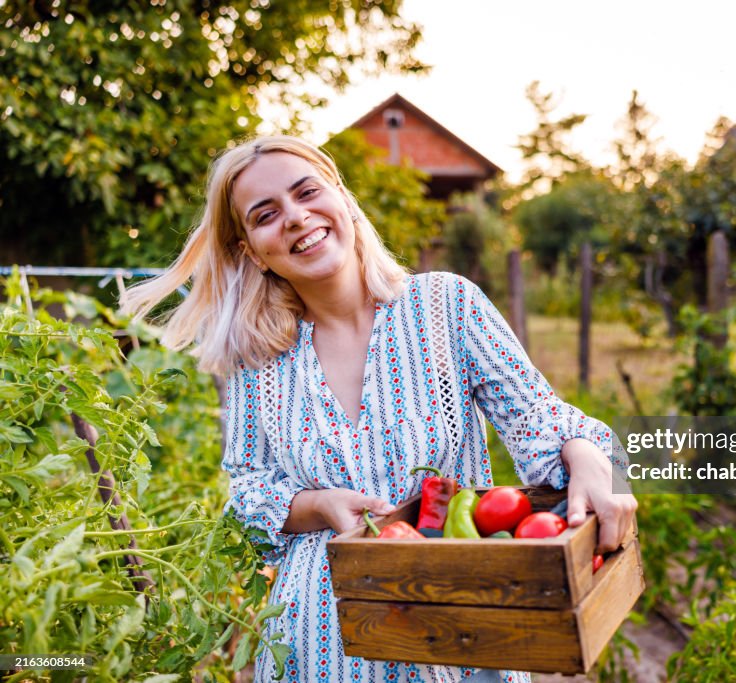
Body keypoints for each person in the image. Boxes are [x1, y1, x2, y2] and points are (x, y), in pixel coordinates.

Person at [121, 135, 637, 683]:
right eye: (266, 214)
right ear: (252, 250)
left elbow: (540, 419)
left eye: (307, 192)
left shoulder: (445, 305)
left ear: (341, 197)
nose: (295, 218)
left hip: (459, 630)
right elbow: (247, 491)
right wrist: (319, 505)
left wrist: (587, 458)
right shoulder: (259, 357)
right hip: (320, 639)